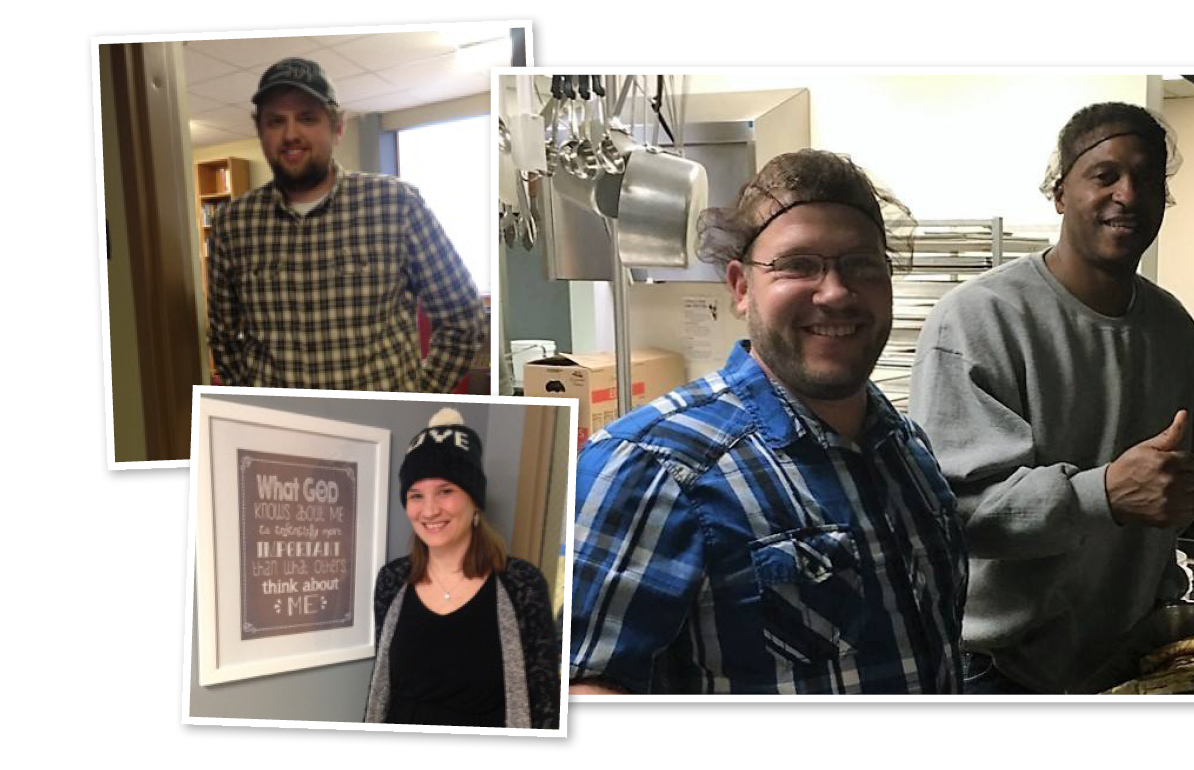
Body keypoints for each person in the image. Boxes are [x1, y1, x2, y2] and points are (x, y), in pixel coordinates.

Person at [568, 150, 967, 694]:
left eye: (862, 265)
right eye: (798, 265)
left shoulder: (909, 452)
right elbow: (578, 691)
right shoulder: (651, 466)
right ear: (740, 287)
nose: (836, 292)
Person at [909, 102, 1194, 693]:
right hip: (1000, 671)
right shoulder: (979, 319)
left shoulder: (1172, 328)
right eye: (1105, 175)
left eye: (1147, 180)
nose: (1127, 195)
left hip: (1130, 655)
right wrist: (1101, 494)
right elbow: (953, 513)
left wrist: (1174, 492)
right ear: (1060, 193)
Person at [206, 57, 485, 393]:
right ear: (260, 131)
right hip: (280, 422)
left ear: (337, 127)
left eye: (307, 118)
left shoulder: (396, 204)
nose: (290, 134)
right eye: (275, 121)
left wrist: (419, 396)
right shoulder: (233, 225)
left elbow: (463, 317)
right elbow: (223, 338)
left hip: (381, 420)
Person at [366, 407, 560, 729]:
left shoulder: (522, 584)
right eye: (416, 495)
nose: (429, 510)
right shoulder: (392, 581)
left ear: (474, 500)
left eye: (446, 491)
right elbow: (380, 686)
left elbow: (544, 702)